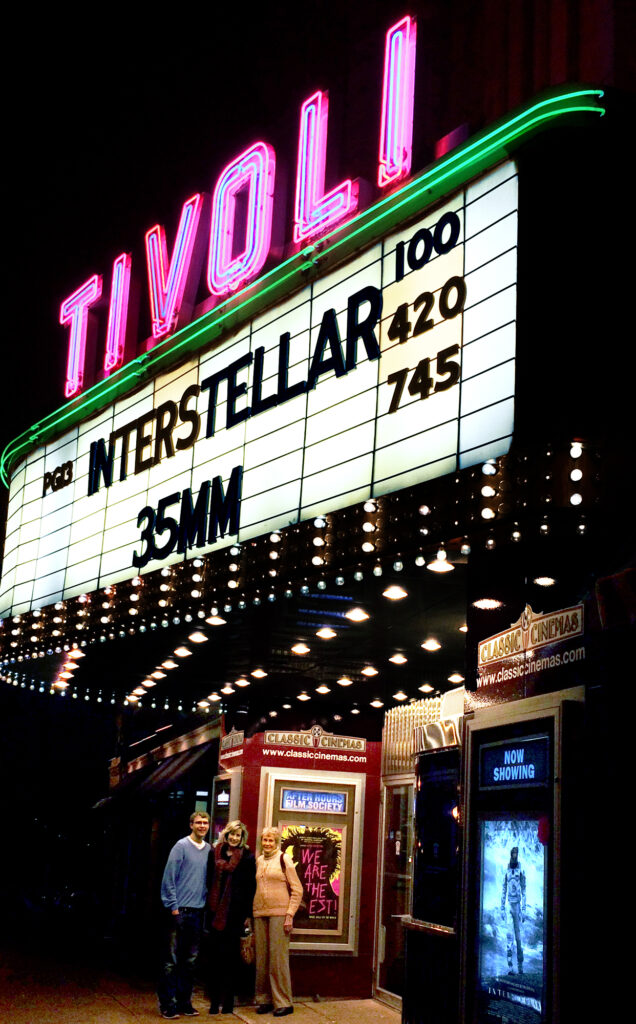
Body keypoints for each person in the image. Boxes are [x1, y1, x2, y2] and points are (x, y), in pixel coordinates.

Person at [158, 810, 211, 1019]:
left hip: (198, 912)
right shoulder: (180, 847)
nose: (202, 826)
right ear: (191, 825)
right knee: (170, 961)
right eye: (198, 822)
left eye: (205, 823)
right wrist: (173, 907)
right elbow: (169, 878)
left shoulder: (209, 850)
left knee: (190, 961)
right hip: (178, 911)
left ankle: (184, 1002)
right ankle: (167, 1004)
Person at [206, 820, 256, 1015]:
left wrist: (247, 915)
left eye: (238, 835)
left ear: (242, 838)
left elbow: (250, 888)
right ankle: (213, 1001)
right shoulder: (215, 853)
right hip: (214, 913)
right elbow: (208, 880)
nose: (234, 838)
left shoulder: (247, 858)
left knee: (230, 960)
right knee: (214, 959)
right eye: (232, 834)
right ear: (226, 835)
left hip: (234, 915)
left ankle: (228, 1002)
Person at [253, 826, 303, 1017]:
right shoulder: (259, 861)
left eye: (270, 840)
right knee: (262, 960)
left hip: (279, 914)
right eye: (264, 840)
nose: (267, 844)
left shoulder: (284, 859)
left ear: (277, 842)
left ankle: (283, 1001)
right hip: (259, 913)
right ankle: (264, 999)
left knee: (277, 960)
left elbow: (297, 889)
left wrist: (289, 914)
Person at [501, 845, 526, 975]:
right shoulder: (507, 870)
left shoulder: (521, 870)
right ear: (511, 855)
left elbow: (524, 889)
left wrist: (524, 909)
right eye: (513, 853)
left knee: (518, 937)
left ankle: (520, 966)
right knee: (509, 936)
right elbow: (504, 889)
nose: (515, 856)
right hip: (510, 906)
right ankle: (510, 967)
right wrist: (501, 908)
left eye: (517, 853)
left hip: (517, 907)